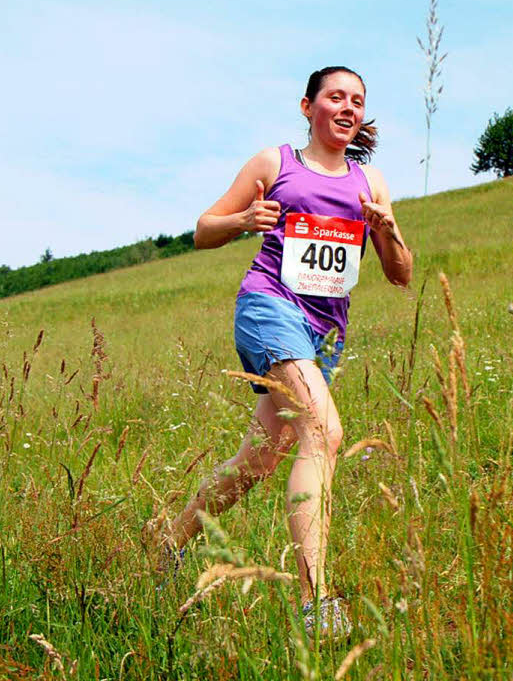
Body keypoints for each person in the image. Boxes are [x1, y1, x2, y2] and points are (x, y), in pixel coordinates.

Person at [156, 66, 413, 638]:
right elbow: (203, 228)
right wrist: (245, 219)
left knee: (260, 460)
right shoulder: (276, 164)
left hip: (324, 337)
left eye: (358, 101)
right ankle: (316, 600)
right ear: (308, 106)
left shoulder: (370, 182)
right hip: (268, 309)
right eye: (335, 97)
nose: (347, 107)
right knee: (322, 432)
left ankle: (168, 542)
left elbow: (402, 275)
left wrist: (389, 230)